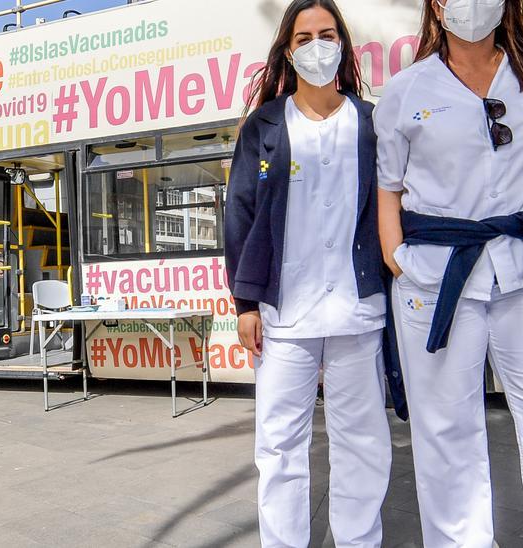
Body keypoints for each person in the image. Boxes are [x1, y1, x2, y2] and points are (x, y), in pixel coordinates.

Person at [375, 1, 523, 546]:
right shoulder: (406, 90)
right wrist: (397, 258)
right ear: (437, 5)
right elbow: (388, 186)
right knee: (445, 436)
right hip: (436, 283)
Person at [223, 1, 391, 546]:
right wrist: (245, 302)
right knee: (278, 445)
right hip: (283, 314)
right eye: (304, 37)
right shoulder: (264, 128)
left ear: (342, 42)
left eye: (326, 33)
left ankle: (359, 540)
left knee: (361, 441)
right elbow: (240, 217)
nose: (316, 45)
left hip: (356, 309)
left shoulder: (371, 122)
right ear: (288, 51)